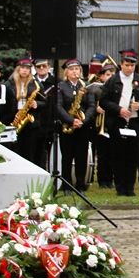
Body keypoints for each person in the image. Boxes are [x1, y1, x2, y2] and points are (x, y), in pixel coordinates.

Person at [99, 49, 139, 197]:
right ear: (121, 64)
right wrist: (119, 110)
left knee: (133, 155)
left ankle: (130, 187)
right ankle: (120, 187)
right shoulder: (112, 81)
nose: (130, 68)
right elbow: (103, 101)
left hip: (135, 122)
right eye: (127, 65)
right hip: (118, 121)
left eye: (132, 65)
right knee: (119, 155)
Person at [55, 59, 92, 194]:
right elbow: (59, 107)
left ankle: (81, 185)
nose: (74, 71)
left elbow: (92, 106)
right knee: (67, 156)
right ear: (66, 72)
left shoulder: (86, 86)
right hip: (67, 126)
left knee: (81, 157)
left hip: (83, 127)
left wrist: (83, 120)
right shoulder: (61, 86)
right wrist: (71, 121)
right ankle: (67, 185)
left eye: (77, 69)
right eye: (71, 69)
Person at [3, 56, 45, 162]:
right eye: (22, 68)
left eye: (27, 68)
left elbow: (45, 103)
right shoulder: (9, 84)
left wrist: (37, 104)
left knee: (30, 153)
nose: (25, 70)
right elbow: (6, 105)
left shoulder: (35, 84)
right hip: (14, 121)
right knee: (16, 151)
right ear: (18, 69)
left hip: (31, 124)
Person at [86, 62, 116, 189]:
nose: (110, 77)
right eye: (108, 75)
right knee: (102, 154)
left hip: (112, 124)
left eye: (113, 74)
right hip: (99, 126)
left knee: (112, 154)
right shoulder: (96, 90)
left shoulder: (116, 89)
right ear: (102, 77)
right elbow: (90, 104)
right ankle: (101, 179)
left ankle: (110, 179)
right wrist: (96, 109)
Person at [33, 59, 58, 170]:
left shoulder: (56, 82)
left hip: (51, 122)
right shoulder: (32, 82)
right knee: (37, 153)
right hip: (36, 123)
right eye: (39, 67)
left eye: (44, 66)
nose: (41, 68)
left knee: (52, 153)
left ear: (48, 67)